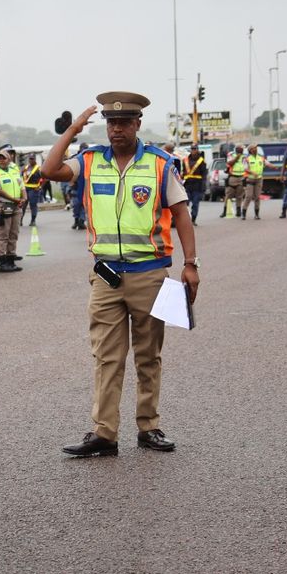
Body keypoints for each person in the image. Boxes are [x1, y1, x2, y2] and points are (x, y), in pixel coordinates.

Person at [40, 91, 200, 458]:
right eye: (111, 123)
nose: (117, 129)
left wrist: (191, 263)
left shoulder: (160, 164)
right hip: (106, 277)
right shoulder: (90, 161)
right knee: (106, 357)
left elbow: (181, 214)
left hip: (149, 274)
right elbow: (49, 170)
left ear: (137, 124)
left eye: (124, 122)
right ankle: (104, 433)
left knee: (148, 355)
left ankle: (149, 427)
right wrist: (73, 129)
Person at [0, 149, 26, 272]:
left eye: (4, 158)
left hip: (16, 206)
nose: (1, 160)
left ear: (9, 159)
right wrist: (14, 199)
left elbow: (22, 186)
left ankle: (11, 261)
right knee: (3, 235)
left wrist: (24, 198)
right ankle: (2, 262)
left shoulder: (15, 172)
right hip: (2, 206)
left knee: (13, 234)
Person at [241, 144, 274, 220]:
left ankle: (256, 214)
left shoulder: (261, 158)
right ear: (250, 150)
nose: (255, 149)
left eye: (256, 148)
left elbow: (268, 164)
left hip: (259, 180)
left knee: (257, 197)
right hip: (250, 179)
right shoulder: (247, 159)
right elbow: (245, 169)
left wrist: (274, 166)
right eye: (253, 148)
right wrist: (252, 172)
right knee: (248, 196)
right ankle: (243, 213)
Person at [181, 144, 207, 226]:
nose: (193, 150)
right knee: (185, 203)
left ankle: (193, 219)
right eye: (192, 149)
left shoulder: (201, 161)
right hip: (187, 185)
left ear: (197, 149)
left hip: (197, 185)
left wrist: (203, 186)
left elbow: (204, 175)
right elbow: (183, 173)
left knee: (195, 204)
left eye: (195, 149)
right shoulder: (185, 160)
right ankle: (186, 219)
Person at [69, 142, 89, 229]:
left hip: (86, 185)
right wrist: (71, 182)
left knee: (84, 204)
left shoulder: (90, 158)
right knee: (76, 204)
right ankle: (76, 220)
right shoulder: (74, 158)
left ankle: (81, 221)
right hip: (76, 185)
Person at [222, 145, 246, 218]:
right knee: (228, 195)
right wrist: (236, 158)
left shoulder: (244, 156)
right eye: (239, 148)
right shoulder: (231, 155)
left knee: (239, 196)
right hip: (233, 177)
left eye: (242, 149)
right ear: (236, 149)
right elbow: (229, 163)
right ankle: (224, 211)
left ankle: (238, 211)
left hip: (241, 177)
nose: (241, 150)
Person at [22, 154, 42, 226]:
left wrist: (40, 186)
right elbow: (21, 176)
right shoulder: (26, 167)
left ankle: (33, 220)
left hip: (34, 189)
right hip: (25, 189)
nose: (31, 160)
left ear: (35, 159)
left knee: (33, 205)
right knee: (23, 205)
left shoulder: (38, 168)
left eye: (32, 159)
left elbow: (44, 178)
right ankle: (20, 220)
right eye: (30, 159)